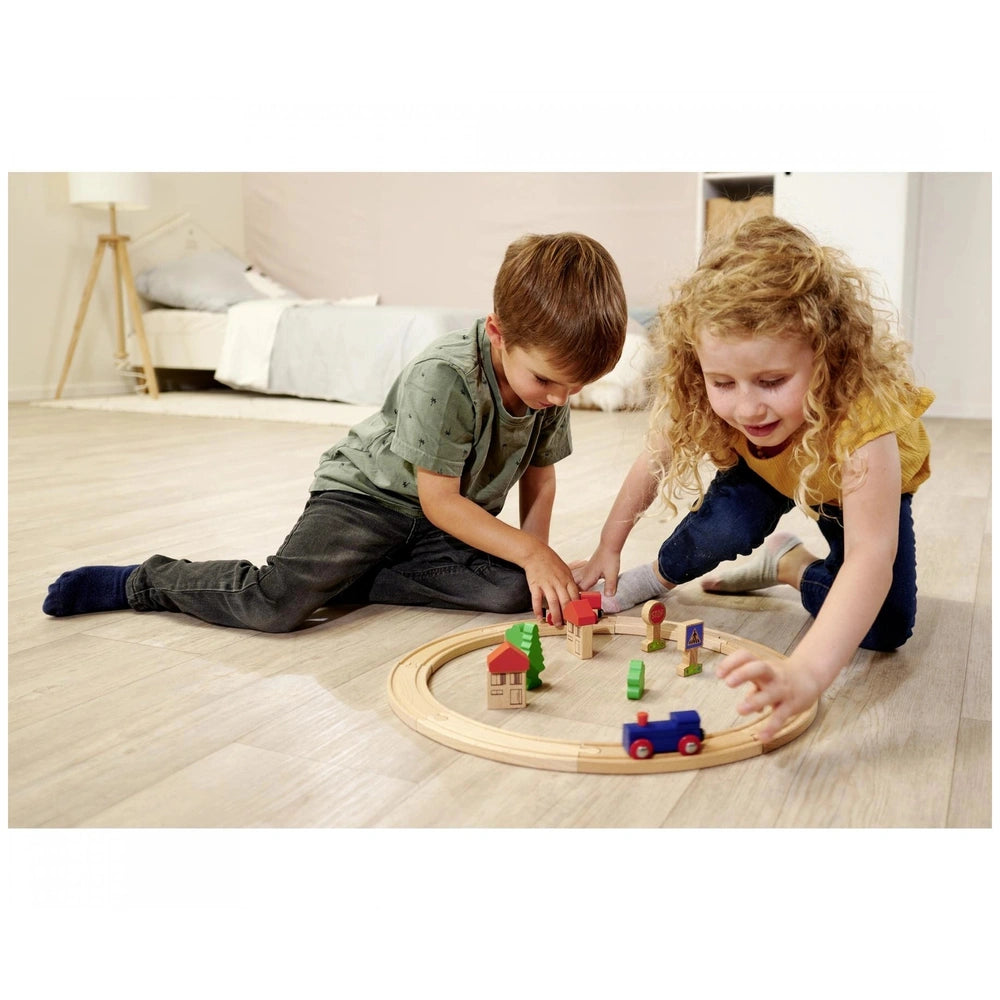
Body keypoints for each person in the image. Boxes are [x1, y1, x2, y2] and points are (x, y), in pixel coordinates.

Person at [44, 232, 628, 632]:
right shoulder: (446, 374)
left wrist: (534, 562)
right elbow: (439, 499)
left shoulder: (550, 388)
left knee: (511, 594)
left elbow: (540, 479)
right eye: (547, 381)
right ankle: (144, 582)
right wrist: (530, 552)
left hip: (438, 524)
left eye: (574, 387)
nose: (560, 399)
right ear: (498, 332)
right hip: (367, 501)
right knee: (275, 605)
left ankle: (347, 578)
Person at [574, 216, 933, 741]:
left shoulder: (864, 420)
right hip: (766, 470)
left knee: (886, 628)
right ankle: (653, 579)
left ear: (826, 356)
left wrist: (806, 671)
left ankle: (789, 564)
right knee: (721, 528)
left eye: (772, 381)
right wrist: (609, 547)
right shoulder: (709, 392)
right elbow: (654, 458)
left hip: (845, 488)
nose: (747, 408)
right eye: (723, 383)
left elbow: (870, 556)